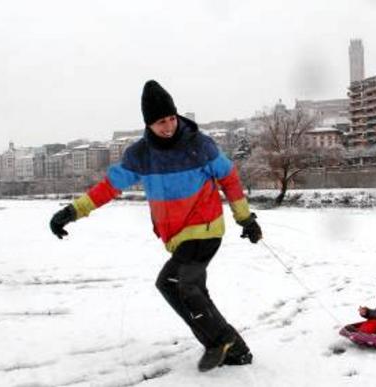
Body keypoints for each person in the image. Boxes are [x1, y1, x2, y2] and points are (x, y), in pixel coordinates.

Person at [49, 80, 262, 372]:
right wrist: (72, 211)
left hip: (206, 226)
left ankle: (219, 340)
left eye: (172, 118)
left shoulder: (200, 145)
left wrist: (245, 218)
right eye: (161, 121)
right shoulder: (140, 155)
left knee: (179, 283)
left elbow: (230, 178)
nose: (169, 126)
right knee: (178, 286)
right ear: (149, 124)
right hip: (177, 236)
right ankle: (235, 351)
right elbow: (109, 187)